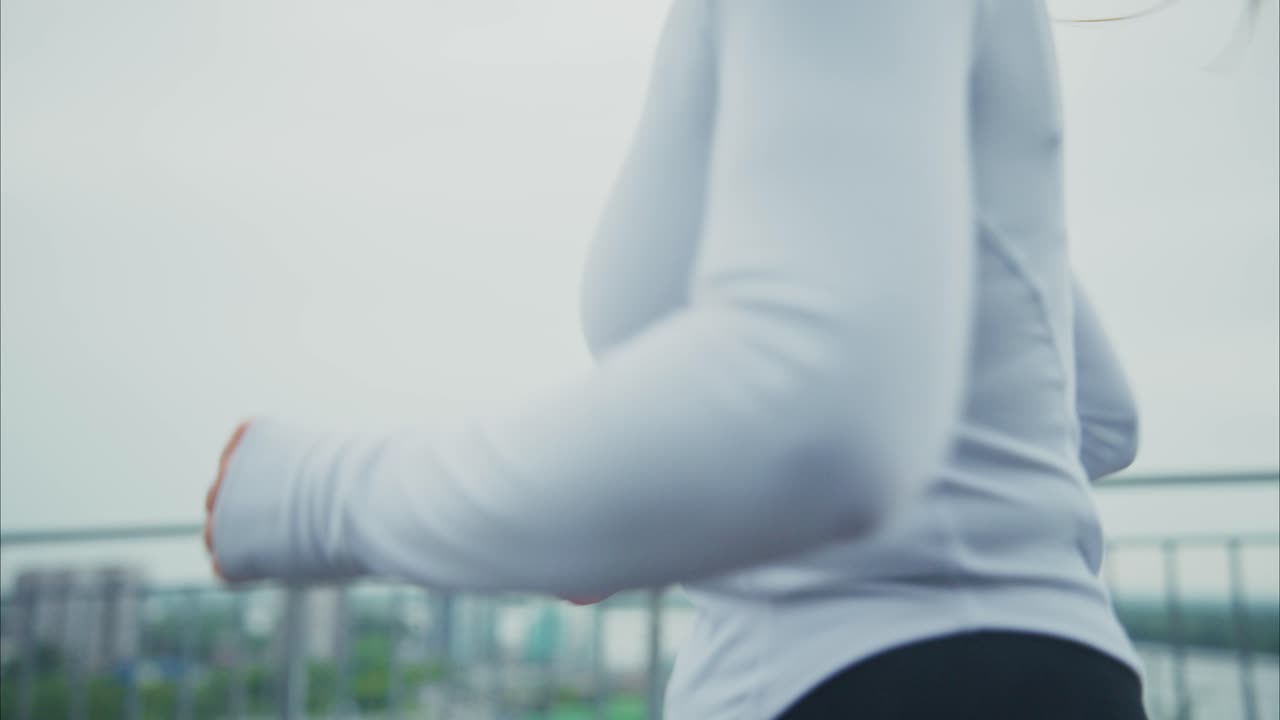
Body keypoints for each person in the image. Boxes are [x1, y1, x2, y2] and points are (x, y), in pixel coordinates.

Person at [204, 2, 1150, 718]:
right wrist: (658, 499)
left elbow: (815, 423)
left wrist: (315, 496)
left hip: (899, 684)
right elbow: (1092, 415)